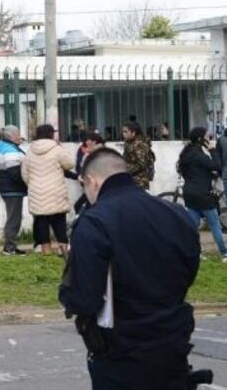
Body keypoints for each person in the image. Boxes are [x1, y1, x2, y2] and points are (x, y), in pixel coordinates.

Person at [60, 148, 200, 389]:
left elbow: (84, 299)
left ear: (92, 181)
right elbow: (190, 268)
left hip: (121, 351)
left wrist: (66, 295)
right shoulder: (176, 213)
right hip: (171, 344)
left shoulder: (94, 221)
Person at [22, 124, 75, 257]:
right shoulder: (56, 149)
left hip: (36, 191)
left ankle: (45, 249)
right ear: (51, 134)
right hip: (55, 190)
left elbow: (25, 173)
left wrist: (33, 184)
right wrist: (61, 147)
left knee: (41, 220)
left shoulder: (30, 151)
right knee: (59, 219)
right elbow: (69, 164)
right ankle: (63, 248)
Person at [179, 127, 227, 261]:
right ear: (200, 139)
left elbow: (193, 172)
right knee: (214, 224)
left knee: (193, 227)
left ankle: (196, 252)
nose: (209, 138)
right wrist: (212, 150)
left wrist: (207, 174)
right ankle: (224, 253)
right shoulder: (199, 154)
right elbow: (217, 166)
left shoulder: (187, 153)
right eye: (206, 136)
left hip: (189, 193)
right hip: (203, 195)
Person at [0, 126, 27, 256]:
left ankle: (10, 245)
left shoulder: (6, 148)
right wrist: (27, 182)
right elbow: (14, 173)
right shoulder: (10, 151)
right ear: (12, 136)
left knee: (13, 217)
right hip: (13, 189)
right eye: (18, 134)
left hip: (9, 188)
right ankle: (9, 247)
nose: (20, 136)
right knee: (14, 219)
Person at [122, 121, 155, 190]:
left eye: (126, 132)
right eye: (123, 132)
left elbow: (141, 163)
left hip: (139, 180)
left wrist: (127, 171)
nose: (123, 134)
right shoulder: (129, 144)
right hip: (132, 179)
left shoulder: (138, 145)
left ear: (133, 133)